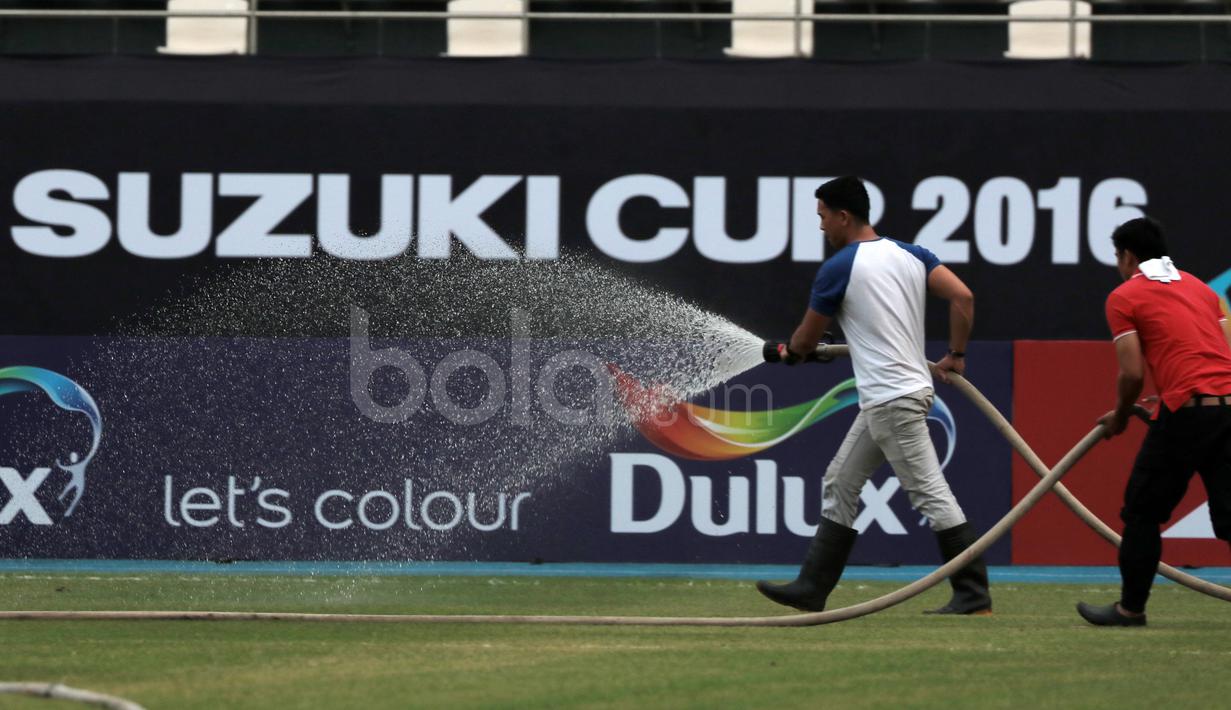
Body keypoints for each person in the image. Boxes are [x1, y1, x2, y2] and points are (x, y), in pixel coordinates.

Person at [756, 175, 991, 615]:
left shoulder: (840, 266)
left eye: (823, 216)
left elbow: (804, 343)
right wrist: (956, 355)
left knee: (930, 495)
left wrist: (787, 352)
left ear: (844, 216)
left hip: (891, 399)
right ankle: (812, 587)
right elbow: (963, 296)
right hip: (896, 395)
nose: (821, 226)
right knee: (840, 480)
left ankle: (974, 595)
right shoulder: (911, 254)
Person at [1077, 217, 1231, 627]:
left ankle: (1131, 609)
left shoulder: (1125, 296)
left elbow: (1130, 374)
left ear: (1127, 256)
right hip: (1227, 408)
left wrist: (1123, 415)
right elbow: (1222, 353)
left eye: (1117, 256)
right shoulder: (1201, 289)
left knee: (1142, 514)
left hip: (1187, 414)